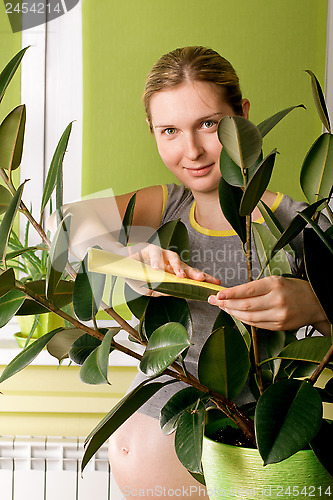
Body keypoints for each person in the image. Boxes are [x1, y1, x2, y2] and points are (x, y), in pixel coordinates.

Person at [52, 46, 330, 498]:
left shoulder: (301, 224)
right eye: (169, 131)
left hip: (235, 475)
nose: (193, 150)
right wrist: (133, 257)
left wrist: (316, 303)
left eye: (208, 124)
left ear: (241, 117)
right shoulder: (166, 205)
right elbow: (59, 238)